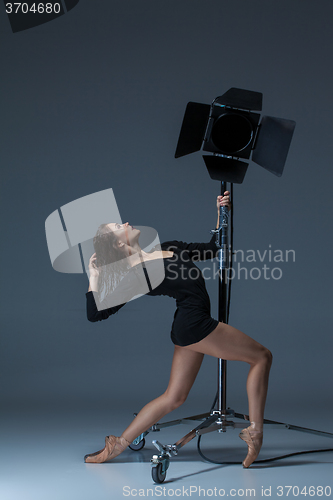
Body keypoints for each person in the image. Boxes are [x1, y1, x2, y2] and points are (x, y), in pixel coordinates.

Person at [84, 192, 272, 468]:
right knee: (262, 357)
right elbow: (95, 313)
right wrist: (95, 276)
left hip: (188, 327)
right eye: (118, 227)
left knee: (174, 397)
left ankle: (117, 445)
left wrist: (221, 211)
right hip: (195, 325)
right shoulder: (138, 274)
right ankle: (255, 433)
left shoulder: (169, 246)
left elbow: (213, 248)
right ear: (118, 244)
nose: (125, 223)